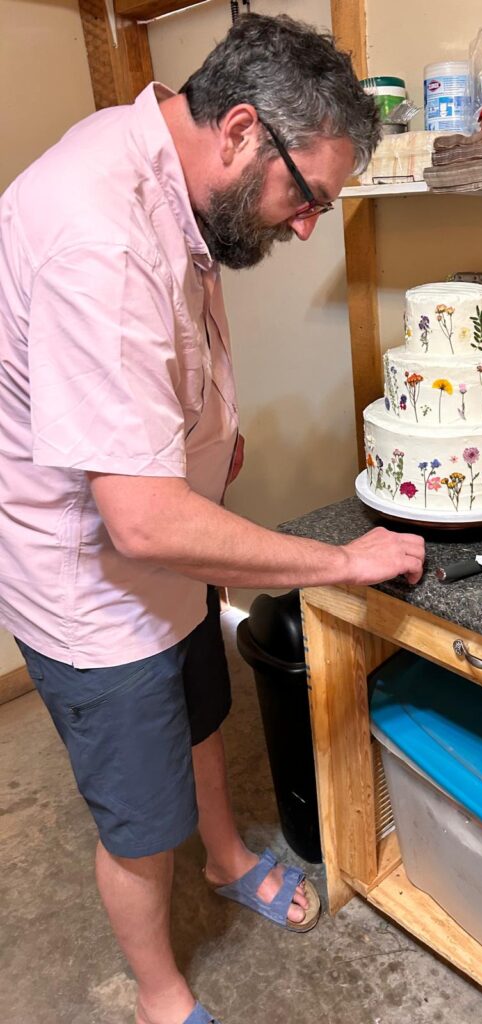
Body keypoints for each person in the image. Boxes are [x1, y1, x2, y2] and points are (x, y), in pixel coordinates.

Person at [0, 13, 425, 1024]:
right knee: (139, 824)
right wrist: (335, 560)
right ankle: (159, 994)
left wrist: (213, 428)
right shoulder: (94, 232)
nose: (308, 224)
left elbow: (187, 299)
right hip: (91, 587)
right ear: (239, 130)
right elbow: (140, 524)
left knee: (202, 708)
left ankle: (229, 855)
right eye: (305, 195)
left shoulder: (183, 178)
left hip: (168, 549)